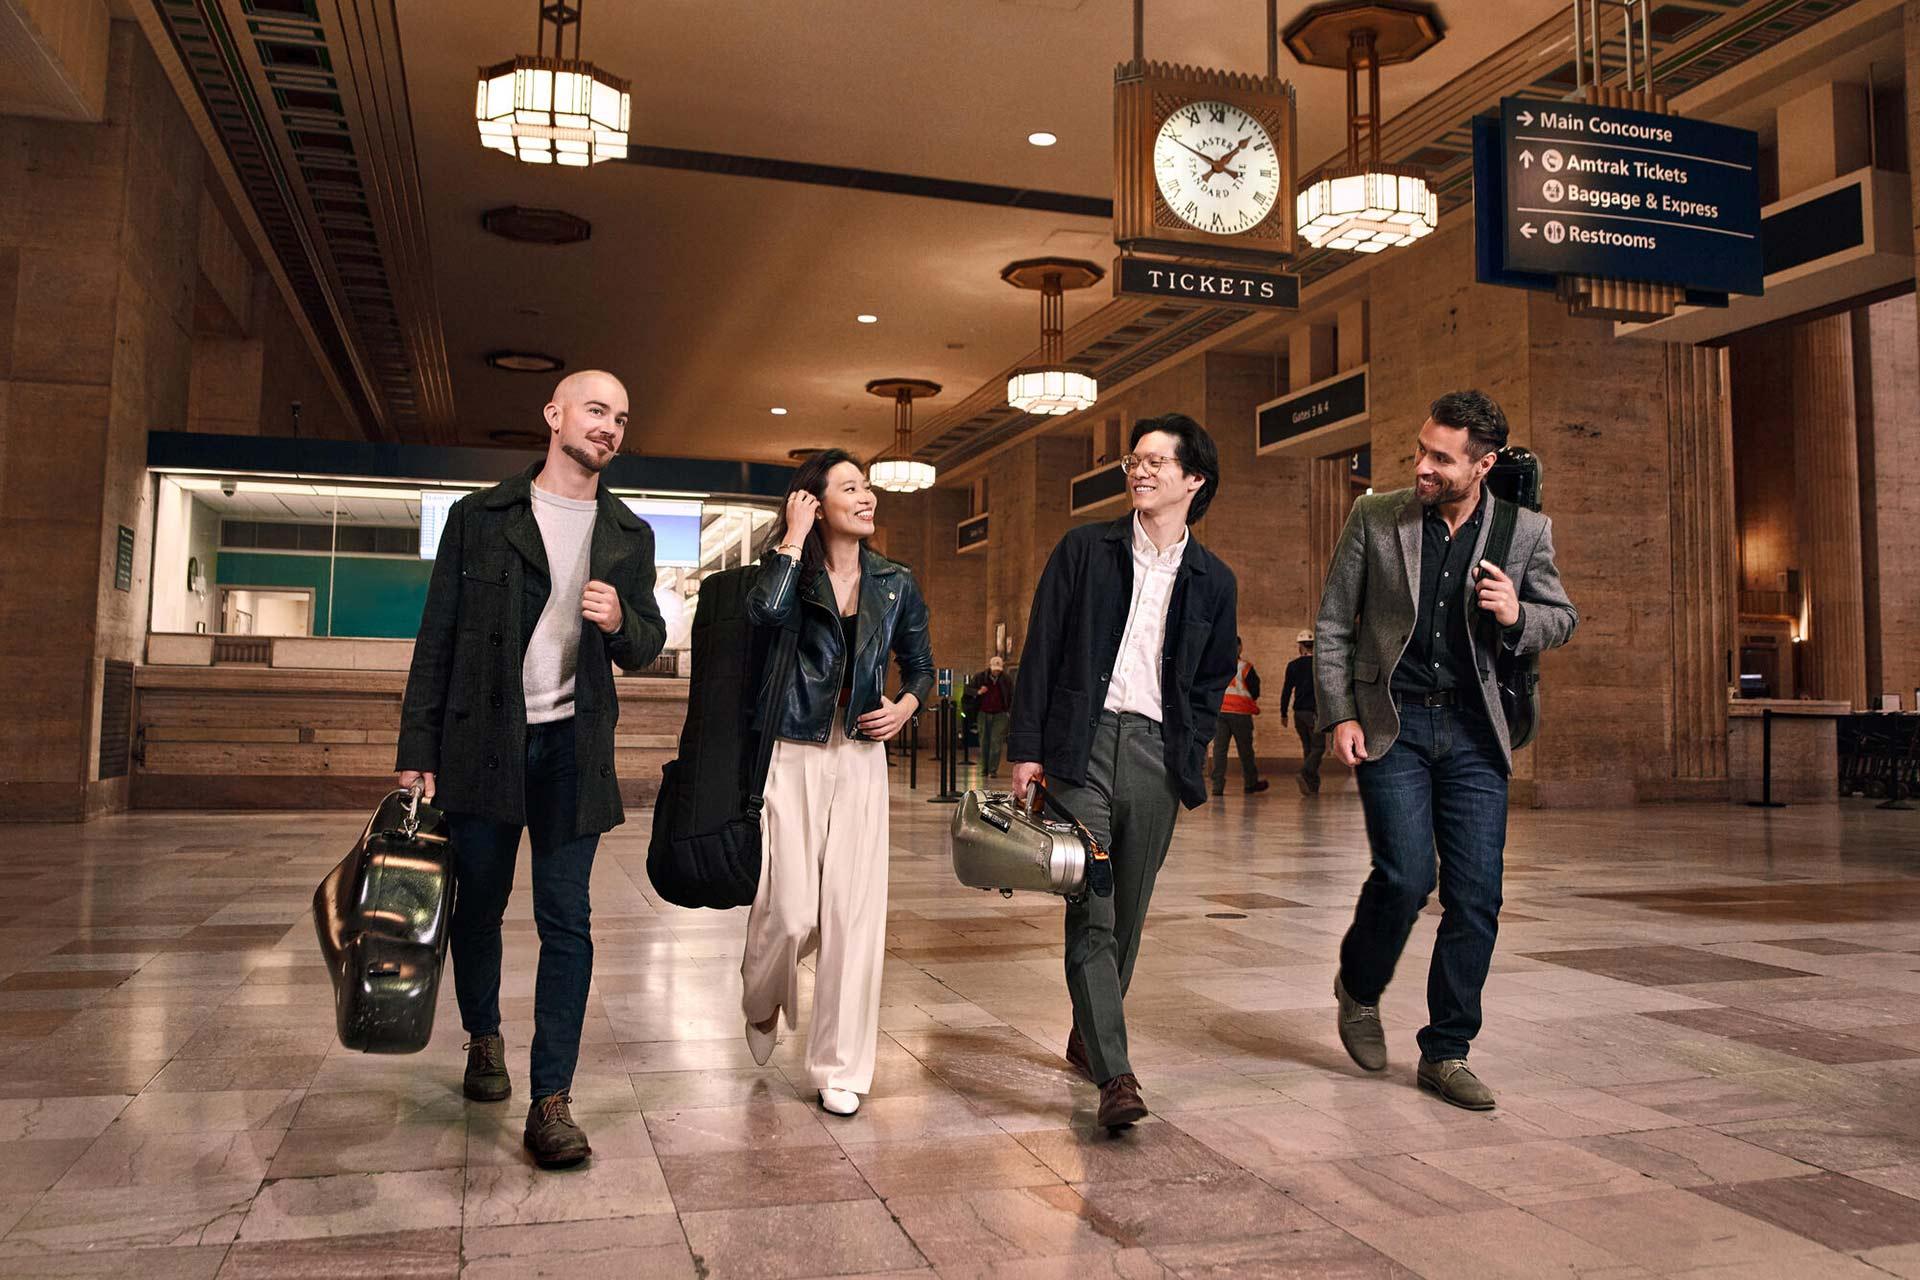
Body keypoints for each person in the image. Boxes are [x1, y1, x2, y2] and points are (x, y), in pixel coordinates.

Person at [396, 370, 666, 1168]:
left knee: (566, 918)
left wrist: (623, 622)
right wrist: (417, 751)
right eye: (595, 411)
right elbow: (436, 636)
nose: (609, 427)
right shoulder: (480, 518)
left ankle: (552, 1098)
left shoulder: (628, 534)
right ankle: (485, 1038)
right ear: (554, 416)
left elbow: (647, 644)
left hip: (571, 749)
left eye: (621, 417)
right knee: (477, 908)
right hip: (483, 741)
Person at [1315, 390, 1576, 1112]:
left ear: (1483, 464)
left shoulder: (1524, 532)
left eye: (1441, 457)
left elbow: (1563, 617)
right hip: (1392, 723)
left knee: (1476, 896)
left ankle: (1447, 1050)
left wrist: (1519, 614)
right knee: (1403, 877)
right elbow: (1335, 621)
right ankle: (1358, 989)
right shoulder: (1376, 515)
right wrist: (1339, 713)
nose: (1422, 466)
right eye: (1421, 450)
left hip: (1473, 731)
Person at [1007, 413, 1237, 1133]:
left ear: (1192, 480)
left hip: (1155, 754)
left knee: (1129, 911)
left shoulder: (1214, 579)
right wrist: (1027, 750)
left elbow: (1211, 675)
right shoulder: (1085, 550)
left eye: (1155, 463)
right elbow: (1042, 648)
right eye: (1134, 461)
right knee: (1094, 903)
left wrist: (1189, 744)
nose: (1139, 472)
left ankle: (1090, 1027)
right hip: (1081, 744)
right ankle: (1116, 1073)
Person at [740, 449, 934, 1118]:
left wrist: (904, 707)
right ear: (815, 502)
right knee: (791, 910)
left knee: (853, 916)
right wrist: (791, 541)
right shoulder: (789, 573)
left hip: (860, 756)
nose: (868, 496)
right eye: (851, 487)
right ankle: (762, 997)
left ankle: (840, 1065)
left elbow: (923, 670)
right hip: (792, 751)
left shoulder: (895, 581)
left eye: (870, 486)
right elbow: (760, 619)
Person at [1210, 638, 1268, 796]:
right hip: (1241, 713)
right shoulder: (1245, 667)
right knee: (1245, 750)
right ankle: (1250, 783)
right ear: (1240, 648)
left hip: (1220, 712)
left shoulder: (1217, 666)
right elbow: (1255, 690)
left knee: (1219, 750)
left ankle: (1217, 786)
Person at [1280, 630, 1324, 796]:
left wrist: (1283, 713)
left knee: (1308, 748)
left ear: (1300, 646)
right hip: (1314, 712)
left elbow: (1286, 691)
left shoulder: (1293, 665)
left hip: (1298, 713)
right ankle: (1306, 772)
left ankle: (1312, 786)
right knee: (1319, 747)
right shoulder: (1320, 666)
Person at [969, 655, 1014, 779]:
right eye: (995, 669)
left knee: (996, 742)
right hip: (983, 713)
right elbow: (968, 690)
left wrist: (1009, 712)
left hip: (1000, 714)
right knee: (984, 741)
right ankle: (984, 769)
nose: (996, 672)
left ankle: (993, 770)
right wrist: (978, 692)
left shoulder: (1006, 680)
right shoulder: (980, 677)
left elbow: (1011, 695)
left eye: (999, 670)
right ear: (990, 667)